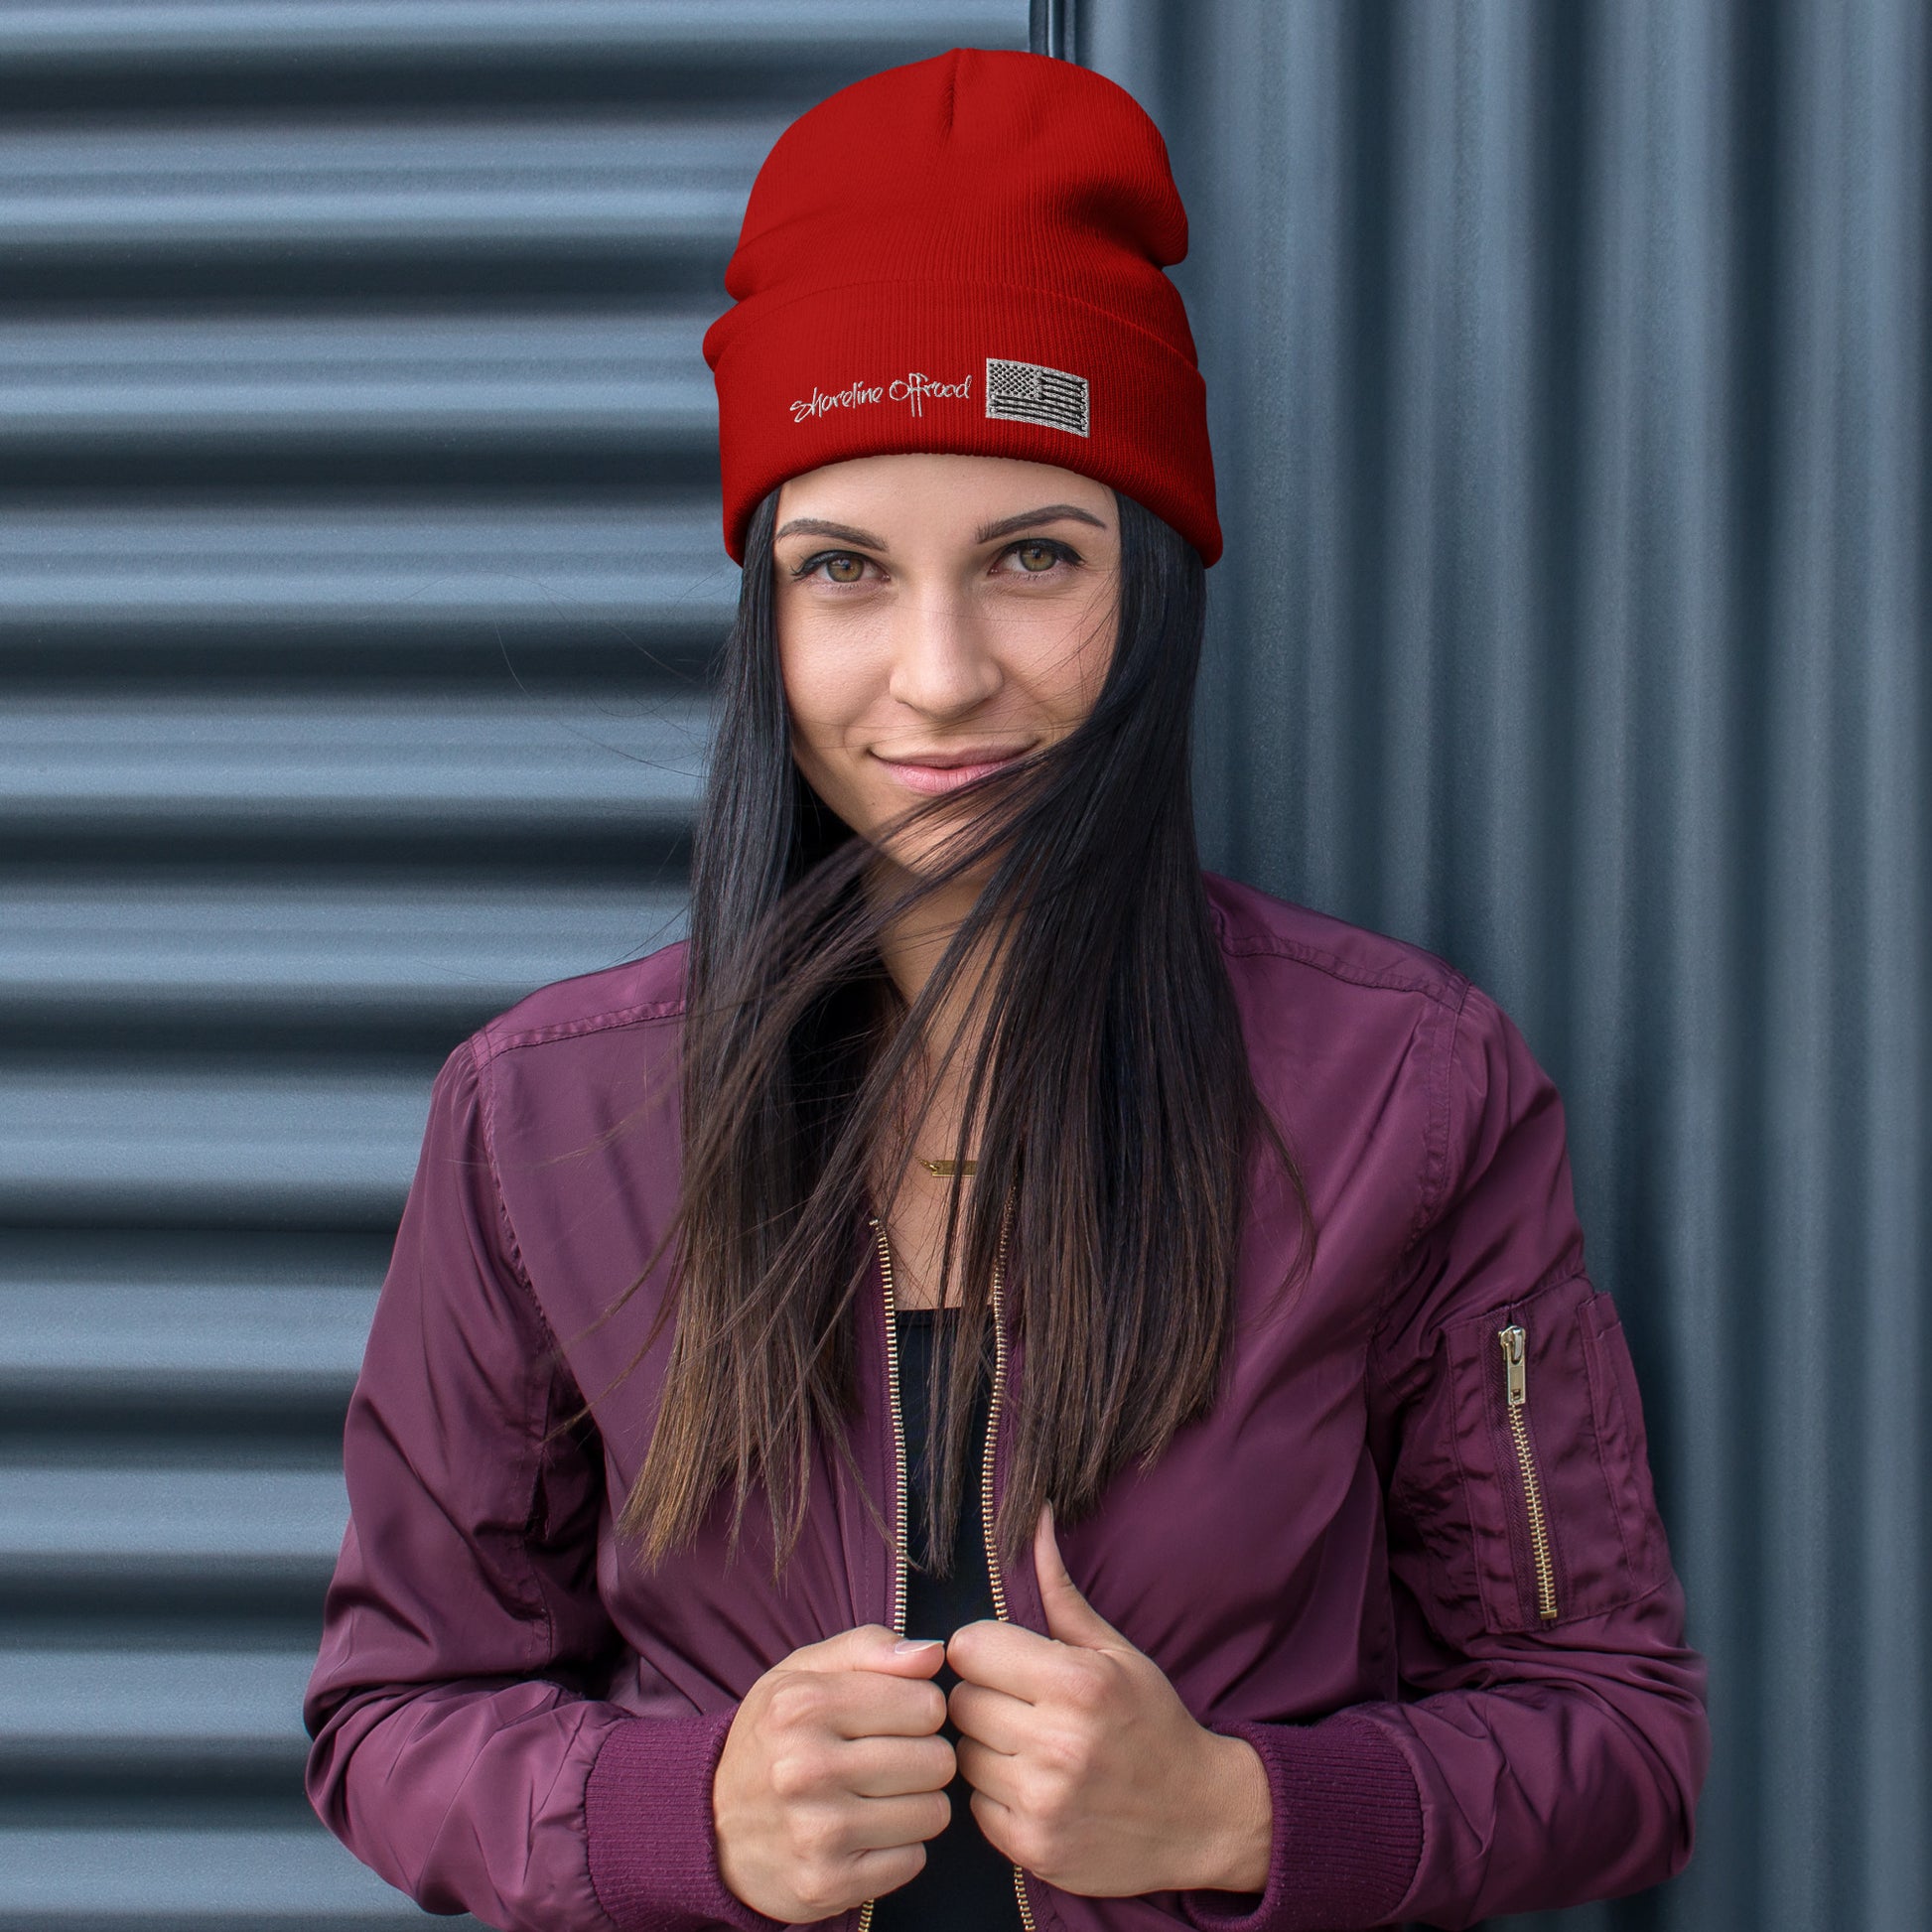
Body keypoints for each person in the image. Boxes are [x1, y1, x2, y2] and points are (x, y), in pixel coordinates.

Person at [303, 48, 1709, 1932]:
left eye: (1032, 557)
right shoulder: (546, 1115)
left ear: (1154, 585)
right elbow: (392, 1710)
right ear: (772, 613)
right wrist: (676, 1816)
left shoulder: (1404, 1093)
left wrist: (1238, 1810)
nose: (940, 674)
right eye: (846, 569)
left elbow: (1614, 1735)